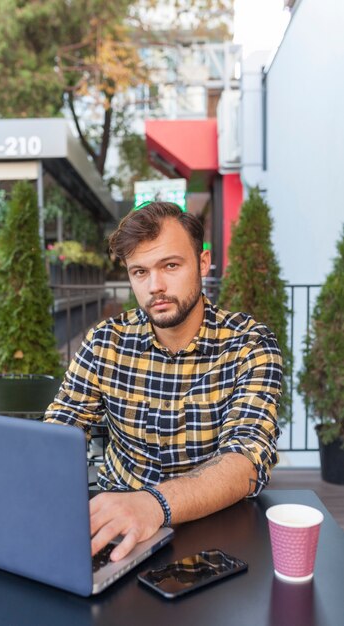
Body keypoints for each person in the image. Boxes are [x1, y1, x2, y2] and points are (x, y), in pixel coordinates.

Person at [44, 202, 282, 562]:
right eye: (139, 272)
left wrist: (153, 505)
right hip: (116, 530)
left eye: (170, 265)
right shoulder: (106, 341)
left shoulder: (249, 344)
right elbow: (62, 428)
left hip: (215, 535)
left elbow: (247, 460)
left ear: (203, 263)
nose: (155, 286)